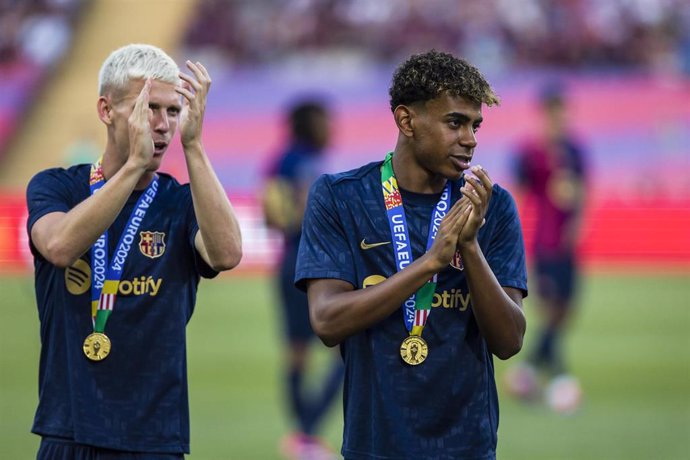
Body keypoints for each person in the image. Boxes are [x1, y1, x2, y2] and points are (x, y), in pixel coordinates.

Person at [295, 50, 528, 459]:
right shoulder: (340, 197)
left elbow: (509, 341)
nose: (470, 138)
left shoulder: (493, 206)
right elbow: (327, 321)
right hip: (375, 447)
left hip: (468, 448)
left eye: (475, 125)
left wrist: (469, 247)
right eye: (455, 122)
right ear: (407, 121)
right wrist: (431, 263)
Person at [26, 43, 243, 458]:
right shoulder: (56, 187)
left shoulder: (180, 203)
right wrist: (131, 168)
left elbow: (227, 254)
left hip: (155, 440)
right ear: (107, 111)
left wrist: (194, 147)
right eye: (149, 109)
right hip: (69, 433)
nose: (162, 126)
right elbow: (58, 246)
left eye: (173, 111)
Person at [262, 100, 344, 460]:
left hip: (291, 262)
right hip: (308, 262)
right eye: (326, 121)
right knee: (345, 349)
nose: (332, 129)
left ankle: (304, 438)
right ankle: (307, 435)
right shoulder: (298, 163)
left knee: (298, 354)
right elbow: (280, 214)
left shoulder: (283, 161)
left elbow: (272, 217)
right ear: (310, 123)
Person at [504, 83, 587, 413]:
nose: (559, 118)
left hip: (568, 243)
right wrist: (512, 231)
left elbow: (584, 188)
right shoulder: (530, 151)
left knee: (567, 310)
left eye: (562, 111)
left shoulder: (575, 150)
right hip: (544, 239)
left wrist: (581, 222)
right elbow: (519, 192)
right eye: (553, 111)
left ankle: (527, 371)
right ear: (545, 114)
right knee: (551, 308)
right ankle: (560, 378)